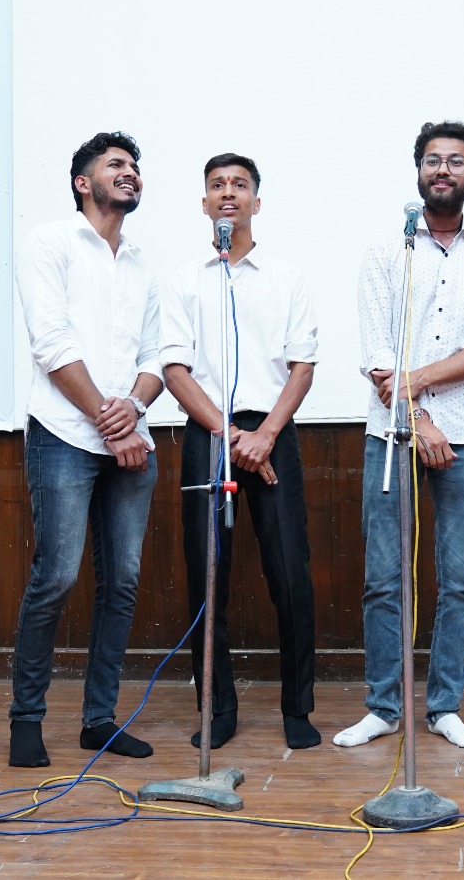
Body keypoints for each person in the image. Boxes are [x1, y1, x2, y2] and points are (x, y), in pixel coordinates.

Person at [335, 120, 464, 750]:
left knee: (460, 580)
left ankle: (444, 707)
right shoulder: (388, 252)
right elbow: (376, 354)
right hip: (392, 436)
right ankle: (384, 707)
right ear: (418, 172)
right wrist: (419, 416)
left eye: (455, 161)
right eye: (432, 160)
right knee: (383, 580)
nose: (443, 169)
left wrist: (419, 386)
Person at [9, 131, 163, 767]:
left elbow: (156, 357)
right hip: (64, 435)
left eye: (135, 167)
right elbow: (51, 343)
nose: (130, 173)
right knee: (57, 577)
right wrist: (112, 421)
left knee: (122, 583)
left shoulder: (142, 263)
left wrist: (136, 411)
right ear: (83, 182)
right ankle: (26, 719)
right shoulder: (49, 242)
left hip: (130, 439)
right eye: (116, 164)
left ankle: (99, 719)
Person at [160, 153, 321, 751]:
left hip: (273, 430)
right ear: (204, 203)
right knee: (208, 578)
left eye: (240, 184)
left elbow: (302, 366)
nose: (228, 192)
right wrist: (233, 438)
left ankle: (298, 708)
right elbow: (175, 370)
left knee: (290, 574)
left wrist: (265, 436)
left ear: (257, 200)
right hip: (210, 434)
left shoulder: (287, 278)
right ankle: (217, 708)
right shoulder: (184, 281)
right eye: (217, 185)